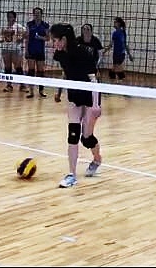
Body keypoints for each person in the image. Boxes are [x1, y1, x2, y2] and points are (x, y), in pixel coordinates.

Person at [50, 22, 102, 188]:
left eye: (55, 40)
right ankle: (71, 174)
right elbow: (65, 74)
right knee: (73, 135)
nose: (53, 43)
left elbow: (93, 78)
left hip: (89, 95)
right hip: (74, 95)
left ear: (64, 39)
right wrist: (59, 92)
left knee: (86, 138)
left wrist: (95, 104)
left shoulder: (83, 52)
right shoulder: (60, 54)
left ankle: (97, 159)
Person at [54, 23, 103, 103]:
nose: (85, 31)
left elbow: (100, 54)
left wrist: (97, 67)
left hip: (92, 66)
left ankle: (97, 102)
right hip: (77, 66)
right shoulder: (78, 40)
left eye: (88, 29)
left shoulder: (95, 40)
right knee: (65, 75)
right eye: (84, 29)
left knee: (96, 79)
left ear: (91, 31)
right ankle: (59, 94)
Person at [0, 11, 27, 93]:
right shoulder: (4, 27)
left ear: (14, 18)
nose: (9, 18)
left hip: (16, 49)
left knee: (18, 67)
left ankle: (22, 85)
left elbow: (26, 33)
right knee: (7, 67)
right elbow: (1, 40)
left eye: (11, 16)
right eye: (8, 16)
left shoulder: (18, 27)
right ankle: (9, 85)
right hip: (6, 49)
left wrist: (21, 39)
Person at [25, 7, 50, 98]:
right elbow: (27, 38)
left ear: (41, 14)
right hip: (31, 50)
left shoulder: (45, 25)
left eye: (38, 13)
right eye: (35, 13)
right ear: (33, 14)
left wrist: (40, 37)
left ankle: (41, 90)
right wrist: (26, 50)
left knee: (41, 71)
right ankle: (31, 91)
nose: (37, 14)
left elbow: (48, 38)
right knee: (31, 71)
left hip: (40, 50)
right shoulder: (29, 24)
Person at [103, 16, 133, 82]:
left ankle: (120, 79)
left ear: (119, 23)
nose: (114, 23)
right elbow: (111, 44)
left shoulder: (123, 33)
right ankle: (114, 78)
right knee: (115, 67)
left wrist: (129, 55)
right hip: (115, 54)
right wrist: (104, 51)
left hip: (121, 54)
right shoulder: (115, 33)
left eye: (115, 22)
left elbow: (125, 44)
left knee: (117, 67)